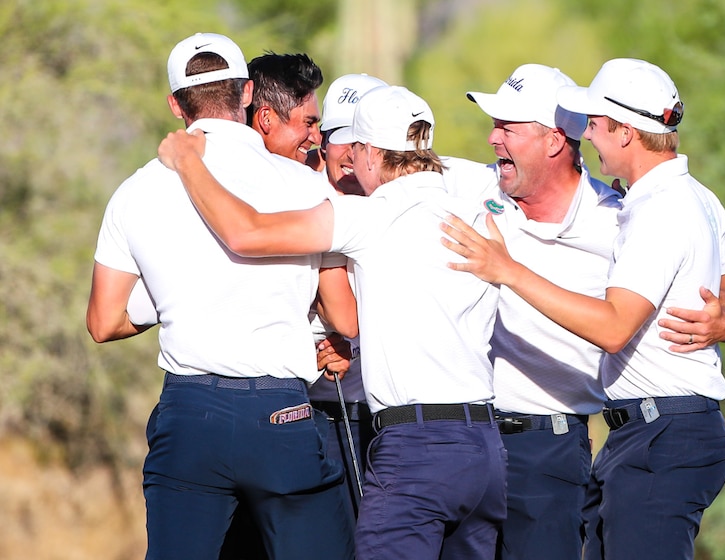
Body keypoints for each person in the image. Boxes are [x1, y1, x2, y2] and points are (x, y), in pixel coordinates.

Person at [157, 84, 507, 560]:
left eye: (355, 150)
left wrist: (188, 163)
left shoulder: (370, 217)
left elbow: (245, 233)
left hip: (415, 449)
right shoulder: (478, 215)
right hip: (485, 448)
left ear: (372, 153)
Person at [441, 63, 725, 560]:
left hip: (660, 434)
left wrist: (508, 270)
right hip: (642, 434)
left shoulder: (657, 210)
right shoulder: (684, 198)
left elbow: (614, 328)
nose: (587, 133)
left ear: (626, 132)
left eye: (596, 124)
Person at [86, 32, 355, 560]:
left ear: (175, 104)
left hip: (189, 416)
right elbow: (342, 315)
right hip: (282, 414)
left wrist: (176, 290)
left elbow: (103, 321)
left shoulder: (135, 191)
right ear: (248, 93)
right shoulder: (306, 186)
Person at [307, 72, 388, 518]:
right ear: (323, 142)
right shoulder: (300, 198)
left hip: (386, 420)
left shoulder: (399, 205)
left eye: (364, 140)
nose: (352, 153)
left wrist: (355, 347)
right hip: (314, 413)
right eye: (343, 137)